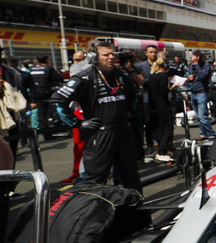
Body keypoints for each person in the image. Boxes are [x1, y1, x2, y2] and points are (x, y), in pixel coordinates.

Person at [52, 42, 142, 192]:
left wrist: (129, 111)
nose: (111, 57)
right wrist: (78, 123)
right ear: (94, 57)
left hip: (124, 132)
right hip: (99, 134)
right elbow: (58, 100)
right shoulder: (84, 77)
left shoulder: (121, 75)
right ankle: (92, 212)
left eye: (113, 54)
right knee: (95, 180)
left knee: (131, 177)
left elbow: (133, 94)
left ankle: (134, 211)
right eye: (106, 55)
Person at [29, 54, 64, 140]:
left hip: (35, 94)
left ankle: (46, 134)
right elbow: (59, 78)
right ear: (47, 60)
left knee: (41, 115)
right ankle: (57, 126)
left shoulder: (32, 69)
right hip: (47, 93)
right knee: (54, 110)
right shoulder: (49, 68)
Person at [148, 59, 174, 162]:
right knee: (166, 128)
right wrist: (171, 87)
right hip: (163, 106)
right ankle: (161, 152)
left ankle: (163, 149)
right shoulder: (163, 76)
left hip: (154, 106)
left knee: (159, 128)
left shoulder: (151, 76)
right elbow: (163, 90)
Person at [135, 44, 159, 154]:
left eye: (155, 52)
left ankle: (163, 143)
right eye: (151, 52)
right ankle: (149, 144)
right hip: (147, 97)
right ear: (146, 53)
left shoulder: (161, 64)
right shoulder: (140, 66)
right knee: (148, 122)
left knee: (161, 121)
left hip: (160, 97)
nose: (153, 54)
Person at [187, 49, 215, 141]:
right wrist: (189, 78)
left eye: (193, 56)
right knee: (198, 116)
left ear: (198, 57)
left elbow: (203, 75)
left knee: (203, 116)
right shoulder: (191, 65)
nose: (191, 58)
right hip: (193, 92)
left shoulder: (205, 65)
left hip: (201, 93)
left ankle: (211, 133)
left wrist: (197, 65)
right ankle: (203, 133)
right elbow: (191, 76)